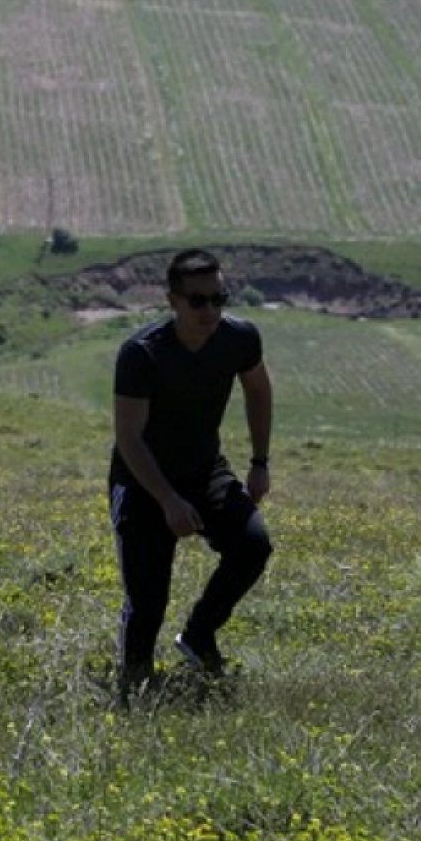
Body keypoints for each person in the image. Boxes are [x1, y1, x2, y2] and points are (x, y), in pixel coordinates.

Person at [109, 248, 273, 693]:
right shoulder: (142, 354)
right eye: (198, 301)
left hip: (204, 469)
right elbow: (129, 438)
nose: (211, 311)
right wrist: (167, 500)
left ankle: (199, 636)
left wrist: (260, 463)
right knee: (148, 599)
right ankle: (136, 679)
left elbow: (258, 389)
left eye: (219, 298)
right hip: (143, 482)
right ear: (172, 301)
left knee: (252, 546)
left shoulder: (239, 338)